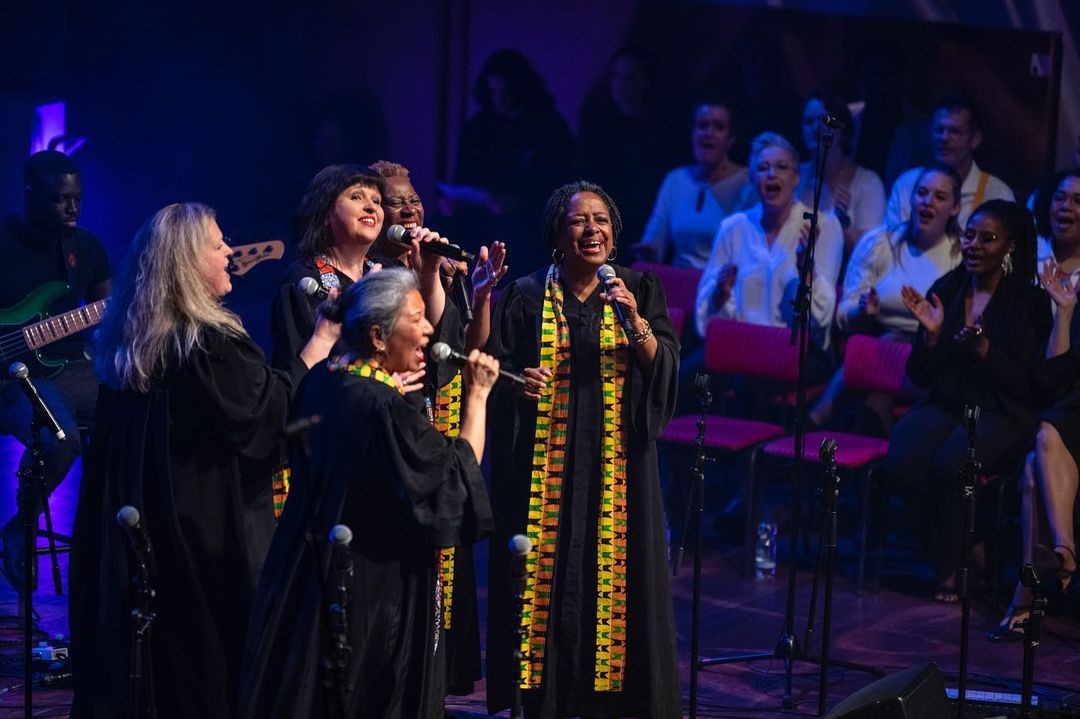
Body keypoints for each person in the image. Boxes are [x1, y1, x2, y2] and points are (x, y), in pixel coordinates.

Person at [70, 203, 340, 717]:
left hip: (142, 531)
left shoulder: (132, 341)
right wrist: (321, 342)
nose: (229, 255)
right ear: (189, 261)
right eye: (218, 246)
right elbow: (267, 418)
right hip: (204, 536)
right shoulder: (207, 342)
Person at [238, 268, 498, 718]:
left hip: (311, 570)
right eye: (416, 318)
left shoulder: (326, 380)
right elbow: (454, 478)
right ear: (378, 336)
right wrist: (477, 397)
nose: (429, 329)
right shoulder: (383, 406)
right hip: (372, 588)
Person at [484, 181, 681, 718]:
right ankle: (540, 698)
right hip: (544, 464)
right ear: (557, 234)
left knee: (618, 577)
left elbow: (664, 367)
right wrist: (515, 380)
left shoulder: (638, 287)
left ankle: (612, 702)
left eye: (601, 220)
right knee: (542, 579)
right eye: (578, 220)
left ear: (614, 234)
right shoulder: (525, 295)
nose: (591, 229)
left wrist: (636, 323)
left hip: (619, 467)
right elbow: (491, 371)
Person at [368, 160, 507, 698]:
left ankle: (435, 680)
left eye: (414, 201)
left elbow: (464, 345)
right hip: (392, 424)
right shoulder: (371, 280)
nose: (410, 211)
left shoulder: (438, 268)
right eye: (395, 203)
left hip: (440, 421)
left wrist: (483, 292)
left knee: (445, 553)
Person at [884, 200, 1051, 603]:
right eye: (970, 235)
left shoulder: (1029, 302)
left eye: (988, 238)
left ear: (1010, 247)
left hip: (1002, 410)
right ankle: (960, 553)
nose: (974, 244)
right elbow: (920, 375)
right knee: (903, 463)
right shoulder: (947, 288)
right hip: (949, 404)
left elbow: (1029, 386)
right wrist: (931, 337)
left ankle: (954, 567)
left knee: (951, 465)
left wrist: (986, 352)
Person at [0, 150, 111, 596]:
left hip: (74, 367)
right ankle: (22, 527)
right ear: (29, 195)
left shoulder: (85, 247)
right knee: (58, 438)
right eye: (59, 199)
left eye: (78, 198)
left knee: (133, 418)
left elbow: (114, 314)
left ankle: (112, 534)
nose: (72, 208)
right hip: (14, 375)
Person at [990, 169, 1080, 640]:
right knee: (1034, 460)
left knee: (1042, 445)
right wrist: (1063, 312)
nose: (1066, 207)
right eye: (1061, 198)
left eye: (1079, 201)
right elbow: (1051, 369)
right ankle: (1060, 562)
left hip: (1069, 403)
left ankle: (1027, 598)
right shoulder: (1031, 265)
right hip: (1049, 396)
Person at [808, 164, 963, 431]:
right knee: (873, 394)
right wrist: (861, 313)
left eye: (940, 197)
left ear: (955, 208)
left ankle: (816, 420)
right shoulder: (879, 243)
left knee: (878, 370)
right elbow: (844, 314)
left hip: (929, 359)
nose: (928, 202)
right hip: (874, 347)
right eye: (922, 193)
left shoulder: (959, 256)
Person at [695, 132, 844, 357]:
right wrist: (720, 294)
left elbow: (822, 319)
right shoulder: (734, 227)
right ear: (754, 178)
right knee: (684, 373)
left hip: (796, 352)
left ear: (796, 177)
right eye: (763, 168)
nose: (772, 174)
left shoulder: (823, 225)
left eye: (782, 167)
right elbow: (705, 319)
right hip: (742, 344)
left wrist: (807, 272)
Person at [441, 49, 574, 275]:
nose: (500, 99)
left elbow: (557, 186)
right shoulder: (479, 127)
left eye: (506, 91)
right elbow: (463, 177)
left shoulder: (548, 127)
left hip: (527, 221)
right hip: (477, 215)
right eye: (494, 91)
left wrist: (513, 203)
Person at [575, 47, 682, 245]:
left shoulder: (661, 130)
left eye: (629, 78)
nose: (621, 85)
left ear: (645, 81)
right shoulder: (597, 126)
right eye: (615, 76)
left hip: (644, 222)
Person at [635, 97, 751, 268]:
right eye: (702, 125)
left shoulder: (747, 181)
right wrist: (647, 252)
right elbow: (654, 241)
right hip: (680, 283)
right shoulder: (675, 180)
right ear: (692, 133)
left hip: (724, 286)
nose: (708, 133)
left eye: (718, 127)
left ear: (731, 138)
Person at [885, 96, 1014, 230]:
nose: (944, 138)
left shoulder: (997, 193)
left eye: (955, 132)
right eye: (939, 130)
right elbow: (891, 242)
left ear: (975, 139)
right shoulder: (908, 184)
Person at [797, 90, 886, 255]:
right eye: (808, 122)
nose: (815, 127)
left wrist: (841, 224)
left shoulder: (869, 183)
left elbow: (872, 252)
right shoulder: (793, 176)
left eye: (823, 120)